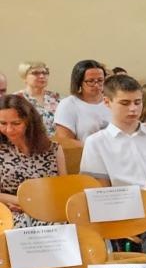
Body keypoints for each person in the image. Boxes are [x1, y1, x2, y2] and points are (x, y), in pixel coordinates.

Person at [80, 75, 146, 187]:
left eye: (137, 102)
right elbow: (100, 190)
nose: (133, 109)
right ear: (107, 102)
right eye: (125, 103)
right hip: (122, 197)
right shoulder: (96, 142)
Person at [0, 95, 65, 227]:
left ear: (29, 122)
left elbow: (64, 188)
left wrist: (37, 205)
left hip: (48, 209)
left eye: (16, 123)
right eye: (3, 123)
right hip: (10, 212)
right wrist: (21, 202)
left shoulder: (53, 149)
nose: (9, 129)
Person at [53, 59, 111, 141]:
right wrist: (93, 147)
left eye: (100, 80)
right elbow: (65, 141)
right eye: (90, 81)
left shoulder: (112, 101)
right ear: (79, 82)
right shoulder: (68, 104)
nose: (96, 85)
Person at [16, 62, 59, 134]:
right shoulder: (17, 99)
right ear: (24, 77)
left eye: (45, 73)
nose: (42, 76)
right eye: (35, 73)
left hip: (56, 140)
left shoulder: (55, 97)